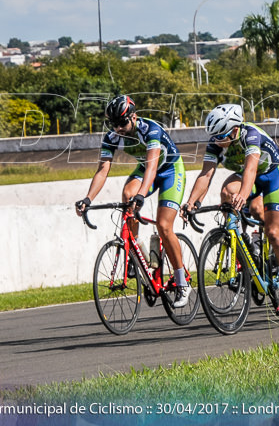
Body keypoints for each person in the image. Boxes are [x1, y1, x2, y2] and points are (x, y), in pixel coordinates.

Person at [75, 95, 192, 307]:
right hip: (145, 169)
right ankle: (134, 251)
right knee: (127, 194)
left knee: (165, 226)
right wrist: (88, 198)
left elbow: (152, 168)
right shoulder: (112, 137)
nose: (118, 128)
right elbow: (102, 170)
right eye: (114, 124)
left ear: (133, 117)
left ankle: (182, 282)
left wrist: (142, 194)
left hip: (169, 170)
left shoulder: (150, 130)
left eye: (122, 123)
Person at [183, 103, 279, 312]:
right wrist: (192, 202)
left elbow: (251, 169)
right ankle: (243, 246)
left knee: (273, 231)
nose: (218, 142)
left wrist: (244, 196)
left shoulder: (250, 135)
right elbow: (206, 174)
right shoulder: (216, 142)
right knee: (227, 191)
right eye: (215, 137)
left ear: (235, 129)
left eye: (222, 136)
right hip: (248, 176)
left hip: (272, 175)